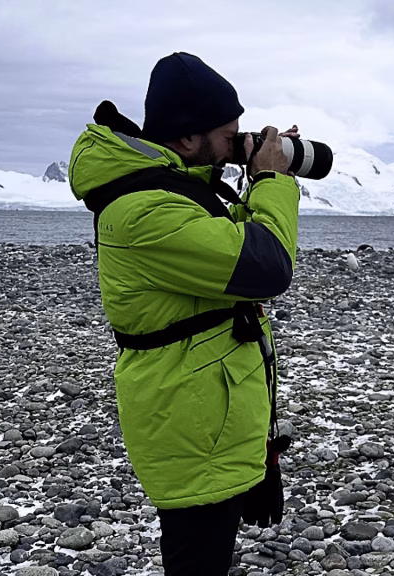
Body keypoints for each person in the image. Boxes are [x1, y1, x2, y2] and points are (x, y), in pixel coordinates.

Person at [68, 52, 301, 575]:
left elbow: (228, 237)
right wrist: (272, 181)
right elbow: (265, 265)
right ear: (189, 138)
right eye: (229, 134)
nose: (236, 145)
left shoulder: (173, 188)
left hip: (211, 410)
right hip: (191, 421)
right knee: (196, 561)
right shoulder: (146, 209)